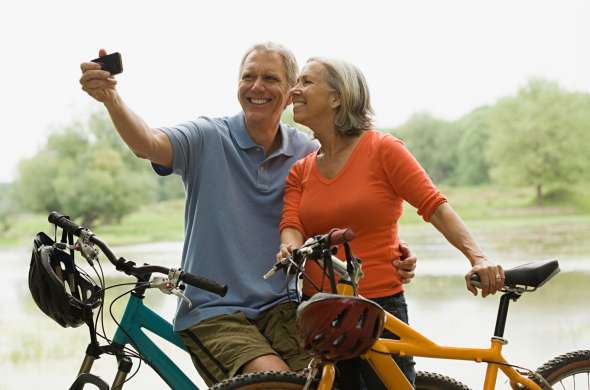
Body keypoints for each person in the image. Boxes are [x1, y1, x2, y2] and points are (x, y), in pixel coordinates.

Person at [79, 43, 418, 386]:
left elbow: (348, 208)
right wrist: (111, 99)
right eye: (248, 77)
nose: (257, 86)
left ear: (291, 94)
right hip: (214, 310)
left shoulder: (308, 152)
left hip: (286, 307)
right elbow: (146, 143)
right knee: (276, 383)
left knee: (331, 382)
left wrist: (394, 249)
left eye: (270, 78)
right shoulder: (207, 136)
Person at [277, 57, 505, 389]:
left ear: (337, 97)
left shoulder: (382, 149)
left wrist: (478, 257)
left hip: (379, 308)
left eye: (306, 82)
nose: (294, 90)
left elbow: (434, 206)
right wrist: (291, 250)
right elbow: (292, 223)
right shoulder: (301, 170)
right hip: (321, 308)